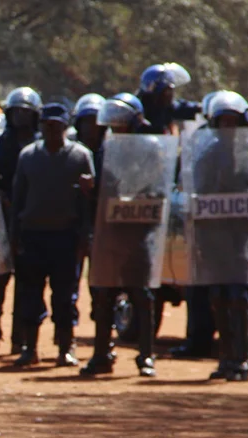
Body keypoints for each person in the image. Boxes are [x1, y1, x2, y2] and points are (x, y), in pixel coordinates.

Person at [81, 94, 168, 378]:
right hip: (110, 233)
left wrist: (137, 200)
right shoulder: (106, 149)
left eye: (122, 123)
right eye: (113, 124)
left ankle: (146, 356)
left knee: (141, 295)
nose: (116, 128)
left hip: (139, 232)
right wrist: (91, 188)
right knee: (104, 293)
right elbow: (101, 192)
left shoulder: (151, 148)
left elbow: (158, 188)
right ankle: (101, 355)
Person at [191, 92, 248, 382]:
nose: (227, 127)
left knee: (239, 296)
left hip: (242, 235)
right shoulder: (207, 153)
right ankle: (226, 357)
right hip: (214, 236)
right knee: (218, 296)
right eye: (222, 121)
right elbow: (196, 191)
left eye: (232, 121)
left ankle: (242, 357)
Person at [10, 102, 95, 367]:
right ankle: (30, 347)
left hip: (65, 237)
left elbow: (87, 203)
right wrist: (14, 237)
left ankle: (65, 347)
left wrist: (84, 237)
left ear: (65, 127)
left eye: (57, 125)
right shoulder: (28, 156)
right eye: (47, 125)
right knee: (30, 294)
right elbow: (17, 199)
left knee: (65, 296)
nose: (52, 130)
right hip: (33, 236)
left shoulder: (80, 156)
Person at [0, 86, 41, 353]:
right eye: (16, 112)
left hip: (30, 220)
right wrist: (3, 198)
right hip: (2, 219)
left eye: (26, 112)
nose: (21, 117)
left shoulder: (39, 145)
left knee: (26, 281)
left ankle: (19, 337)